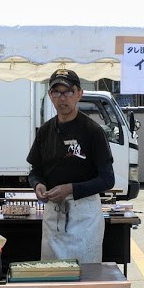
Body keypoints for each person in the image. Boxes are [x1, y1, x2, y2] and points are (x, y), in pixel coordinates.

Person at [27, 68, 114, 264]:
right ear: (50, 95)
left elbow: (108, 179)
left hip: (85, 216)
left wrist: (71, 189)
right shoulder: (45, 131)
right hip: (53, 214)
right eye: (56, 92)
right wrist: (38, 184)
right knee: (52, 275)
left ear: (79, 94)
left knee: (84, 278)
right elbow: (35, 171)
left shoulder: (93, 131)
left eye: (67, 91)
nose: (62, 98)